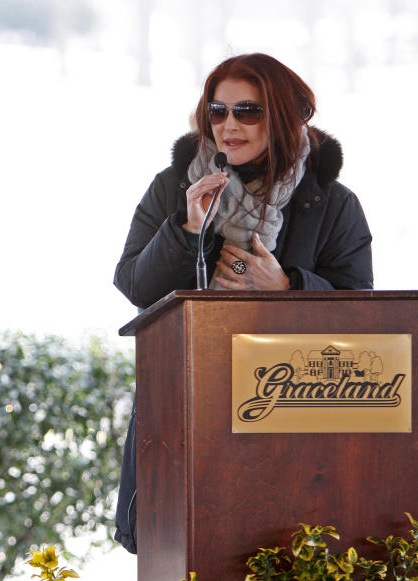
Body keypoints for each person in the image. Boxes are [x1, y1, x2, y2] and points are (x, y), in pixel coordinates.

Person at [111, 53, 373, 553]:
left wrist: (288, 290)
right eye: (217, 111)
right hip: (189, 407)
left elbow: (364, 314)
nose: (228, 125)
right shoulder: (176, 186)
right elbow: (135, 286)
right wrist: (187, 230)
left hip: (293, 417)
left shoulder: (332, 202)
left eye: (247, 111)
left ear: (281, 115)